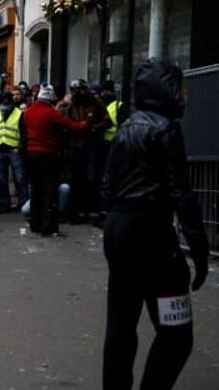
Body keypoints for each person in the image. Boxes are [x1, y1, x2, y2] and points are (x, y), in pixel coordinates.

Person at [101, 61, 208, 390]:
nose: (184, 95)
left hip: (119, 231)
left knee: (122, 325)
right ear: (166, 91)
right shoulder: (167, 129)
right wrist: (199, 251)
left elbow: (106, 187)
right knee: (176, 335)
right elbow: (182, 194)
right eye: (179, 88)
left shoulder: (125, 128)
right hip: (151, 235)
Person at [23, 83, 87, 237]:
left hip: (31, 154)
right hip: (48, 154)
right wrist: (84, 124)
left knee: (36, 190)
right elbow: (71, 125)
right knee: (49, 192)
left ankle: (35, 224)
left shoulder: (28, 112)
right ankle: (49, 227)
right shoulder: (51, 113)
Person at [63, 79, 111, 223]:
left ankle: (92, 209)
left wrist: (95, 127)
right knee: (77, 179)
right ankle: (77, 211)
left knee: (91, 178)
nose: (76, 94)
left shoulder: (96, 103)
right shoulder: (72, 106)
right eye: (73, 91)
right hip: (76, 146)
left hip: (92, 146)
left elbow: (108, 122)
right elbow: (66, 124)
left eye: (79, 90)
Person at [0, 92, 28, 213]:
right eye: (4, 100)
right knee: (2, 180)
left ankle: (23, 204)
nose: (6, 103)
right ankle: (5, 204)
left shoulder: (19, 113)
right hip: (0, 150)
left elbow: (23, 133)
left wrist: (20, 148)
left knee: (20, 178)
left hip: (13, 150)